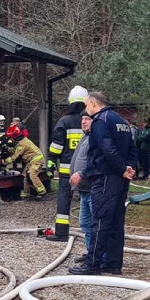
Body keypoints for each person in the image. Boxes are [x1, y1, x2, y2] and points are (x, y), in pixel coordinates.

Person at [70, 91, 136, 276]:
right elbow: (132, 148)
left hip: (105, 177)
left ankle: (93, 263)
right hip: (120, 180)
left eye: (86, 105)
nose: (85, 109)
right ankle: (113, 263)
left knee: (99, 221)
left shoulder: (100, 121)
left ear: (93, 103)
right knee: (116, 222)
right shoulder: (121, 122)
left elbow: (106, 148)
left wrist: (122, 168)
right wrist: (130, 168)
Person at [47, 85, 88, 241]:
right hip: (87, 171)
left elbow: (57, 146)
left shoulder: (64, 121)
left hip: (66, 171)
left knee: (64, 200)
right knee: (88, 201)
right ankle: (91, 234)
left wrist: (51, 162)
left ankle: (62, 233)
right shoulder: (90, 121)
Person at [68, 112, 95, 264]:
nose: (84, 122)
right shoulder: (85, 137)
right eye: (82, 119)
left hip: (92, 189)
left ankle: (96, 256)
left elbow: (94, 163)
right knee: (85, 223)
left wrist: (82, 174)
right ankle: (90, 252)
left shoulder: (94, 138)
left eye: (87, 119)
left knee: (94, 223)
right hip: (84, 190)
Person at [7, 134, 47, 199]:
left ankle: (42, 192)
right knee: (25, 176)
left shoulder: (21, 144)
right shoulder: (23, 141)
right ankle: (26, 193)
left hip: (37, 160)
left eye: (11, 139)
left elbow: (15, 157)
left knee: (31, 174)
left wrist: (4, 162)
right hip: (32, 161)